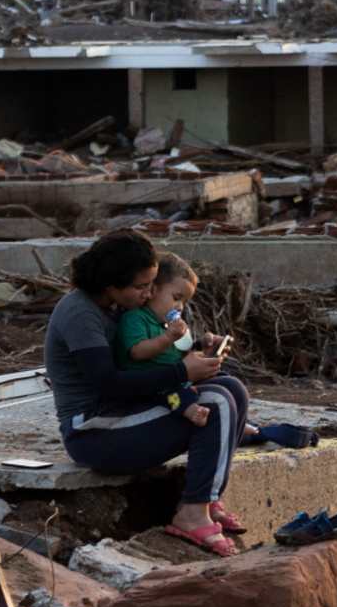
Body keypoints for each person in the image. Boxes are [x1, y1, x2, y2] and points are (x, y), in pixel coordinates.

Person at [45, 232, 250, 556]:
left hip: (129, 411)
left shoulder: (118, 305)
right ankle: (192, 513)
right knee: (216, 404)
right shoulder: (80, 314)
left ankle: (208, 498)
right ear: (111, 284)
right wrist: (182, 373)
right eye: (141, 287)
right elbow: (109, 383)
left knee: (231, 388)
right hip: (94, 431)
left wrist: (197, 352)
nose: (148, 293)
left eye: (152, 285)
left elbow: (148, 358)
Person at [116, 252, 221, 429]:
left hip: (175, 377)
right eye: (176, 298)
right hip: (150, 384)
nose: (180, 307)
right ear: (153, 290)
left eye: (184, 302)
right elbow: (137, 351)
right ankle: (190, 411)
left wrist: (202, 345)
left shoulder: (166, 324)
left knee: (222, 378)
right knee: (173, 395)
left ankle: (242, 422)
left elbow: (181, 352)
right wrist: (168, 337)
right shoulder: (135, 318)